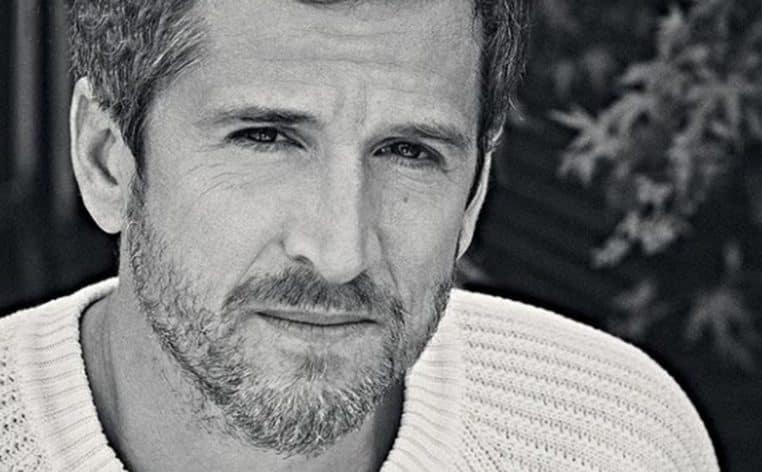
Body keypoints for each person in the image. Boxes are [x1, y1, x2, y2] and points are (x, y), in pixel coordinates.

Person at [0, 0, 718, 471]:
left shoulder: (619, 439)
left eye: (409, 151)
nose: (339, 254)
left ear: (475, 194)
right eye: (265, 137)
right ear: (106, 160)